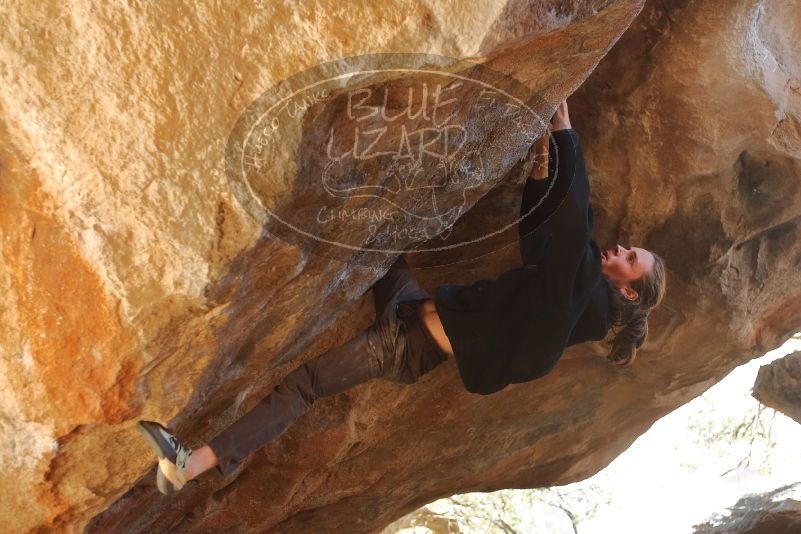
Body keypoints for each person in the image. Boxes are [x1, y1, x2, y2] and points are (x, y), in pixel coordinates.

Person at [137, 100, 667, 494]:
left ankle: (192, 463)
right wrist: (539, 174)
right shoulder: (566, 295)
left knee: (302, 387)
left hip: (403, 347)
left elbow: (575, 224)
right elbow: (542, 241)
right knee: (380, 243)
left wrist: (566, 131)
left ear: (627, 288)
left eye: (630, 257)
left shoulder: (571, 307)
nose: (619, 248)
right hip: (412, 307)